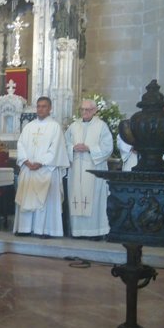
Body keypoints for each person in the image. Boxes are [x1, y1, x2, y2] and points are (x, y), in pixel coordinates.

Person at [14, 97, 70, 239]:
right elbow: (20, 144)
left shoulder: (55, 127)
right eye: (38, 106)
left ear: (50, 108)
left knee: (45, 200)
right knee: (27, 196)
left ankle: (44, 230)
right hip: (28, 169)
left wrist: (40, 163)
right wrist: (26, 161)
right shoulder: (29, 126)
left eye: (44, 106)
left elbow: (56, 149)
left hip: (46, 169)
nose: (40, 109)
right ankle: (24, 228)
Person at [65, 99, 113, 240]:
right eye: (82, 109)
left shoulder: (102, 126)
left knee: (95, 199)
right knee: (76, 197)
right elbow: (65, 143)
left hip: (94, 169)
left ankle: (95, 232)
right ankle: (77, 231)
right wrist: (72, 148)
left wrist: (89, 149)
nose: (84, 112)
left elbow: (108, 147)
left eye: (87, 110)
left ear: (94, 111)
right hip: (76, 170)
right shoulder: (74, 126)